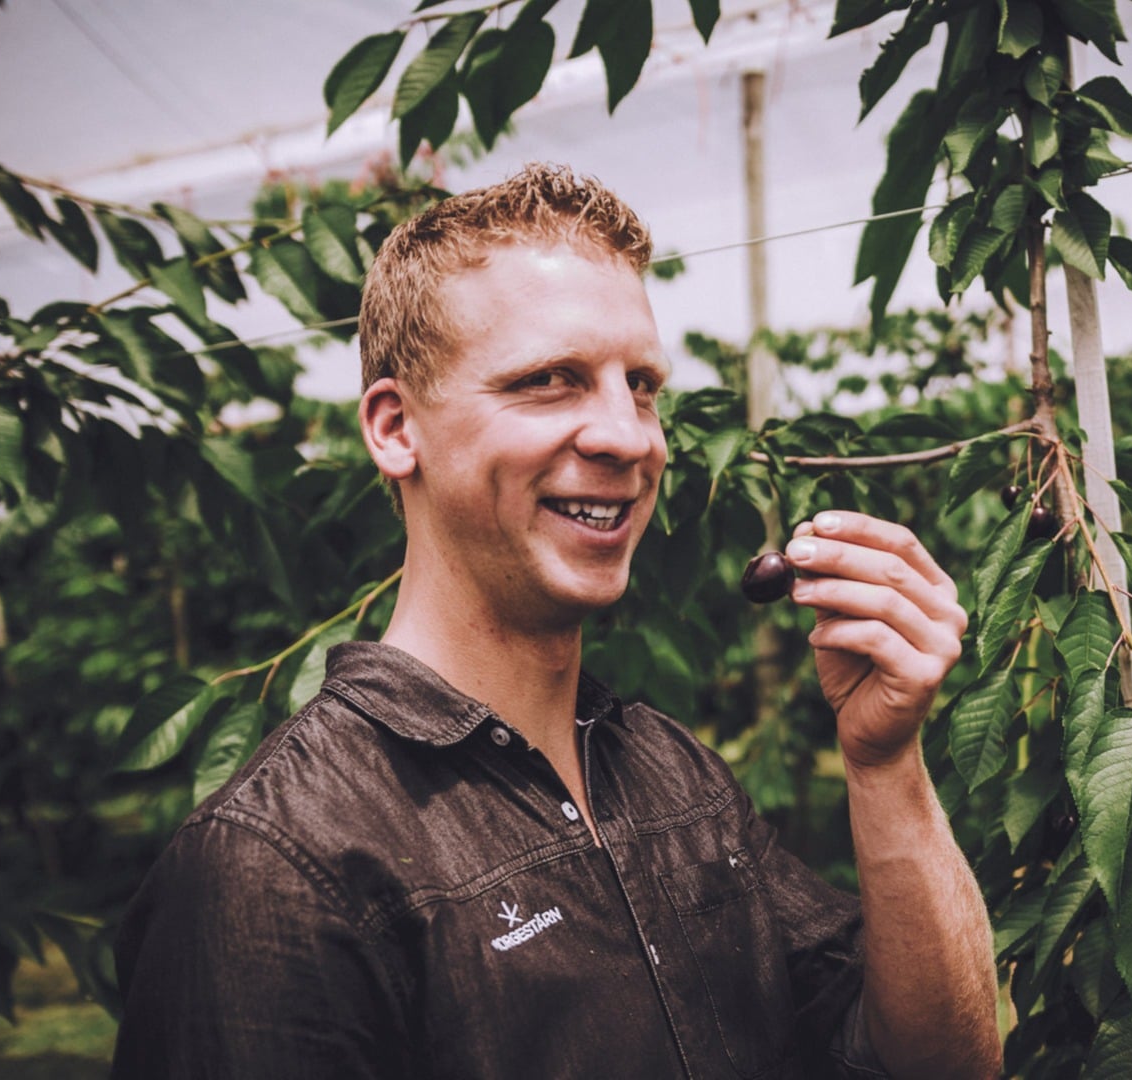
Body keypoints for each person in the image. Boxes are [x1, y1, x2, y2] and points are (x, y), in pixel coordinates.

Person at [112, 163, 1001, 1079]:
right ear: (393, 428)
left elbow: (935, 1066)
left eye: (642, 384)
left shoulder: (673, 775)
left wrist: (885, 761)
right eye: (549, 379)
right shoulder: (279, 866)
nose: (629, 436)